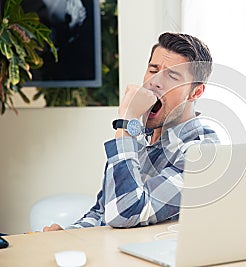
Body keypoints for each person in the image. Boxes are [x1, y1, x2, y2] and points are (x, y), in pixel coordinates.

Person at [43, 32, 219, 231]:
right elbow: (102, 212)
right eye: (153, 70)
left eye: (172, 76)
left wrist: (125, 123)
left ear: (196, 92)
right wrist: (67, 236)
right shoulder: (140, 135)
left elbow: (126, 214)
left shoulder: (203, 150)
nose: (155, 82)